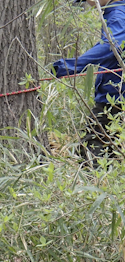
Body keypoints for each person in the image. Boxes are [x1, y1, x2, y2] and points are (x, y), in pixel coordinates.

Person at [53, 0, 125, 161]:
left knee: (92, 151)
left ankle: (96, 182)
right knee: (109, 152)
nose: (90, 3)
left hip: (115, 99)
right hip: (113, 96)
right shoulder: (116, 12)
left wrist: (68, 66)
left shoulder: (118, 14)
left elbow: (111, 46)